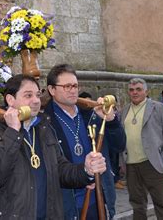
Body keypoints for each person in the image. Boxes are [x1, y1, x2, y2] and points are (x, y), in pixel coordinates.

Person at [0, 74, 107, 219]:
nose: (36, 101)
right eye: (28, 95)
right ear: (10, 100)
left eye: (37, 95)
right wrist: (13, 131)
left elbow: (60, 170)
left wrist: (86, 169)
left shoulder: (43, 126)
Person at [45, 64, 126, 219]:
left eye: (75, 85)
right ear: (52, 90)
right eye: (67, 86)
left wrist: (111, 121)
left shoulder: (91, 115)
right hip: (65, 203)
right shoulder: (44, 122)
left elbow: (119, 146)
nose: (73, 90)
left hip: (98, 198)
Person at [122, 78, 163, 219]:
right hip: (131, 166)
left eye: (138, 89)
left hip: (153, 164)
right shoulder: (124, 110)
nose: (134, 92)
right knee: (137, 205)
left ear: (146, 91)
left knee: (162, 204)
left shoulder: (159, 108)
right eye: (131, 90)